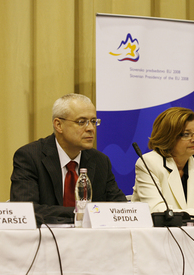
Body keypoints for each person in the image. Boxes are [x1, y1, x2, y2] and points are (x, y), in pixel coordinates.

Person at [10, 93, 126, 223]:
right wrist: (83, 213)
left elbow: (119, 207)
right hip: (46, 240)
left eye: (93, 121)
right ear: (58, 125)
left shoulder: (100, 161)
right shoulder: (30, 157)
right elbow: (25, 210)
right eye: (81, 122)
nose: (90, 128)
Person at [132, 107, 194, 217]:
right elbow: (157, 210)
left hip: (193, 233)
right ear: (168, 136)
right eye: (186, 134)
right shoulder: (149, 163)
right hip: (157, 233)